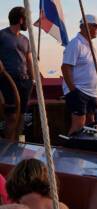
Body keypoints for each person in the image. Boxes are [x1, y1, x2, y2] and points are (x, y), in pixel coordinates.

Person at [61, 14, 97, 135]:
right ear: (86, 26)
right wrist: (73, 91)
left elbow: (89, 66)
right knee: (78, 125)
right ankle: (70, 151)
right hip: (79, 91)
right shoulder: (75, 44)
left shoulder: (89, 46)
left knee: (91, 124)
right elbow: (65, 67)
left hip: (91, 93)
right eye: (96, 27)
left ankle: (86, 150)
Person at [0, 7, 34, 141]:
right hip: (8, 81)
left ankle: (16, 148)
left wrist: (33, 79)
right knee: (12, 117)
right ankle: (7, 151)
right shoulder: (2, 35)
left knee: (21, 118)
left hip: (25, 82)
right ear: (21, 20)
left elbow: (29, 60)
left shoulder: (26, 40)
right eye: (27, 19)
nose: (28, 23)